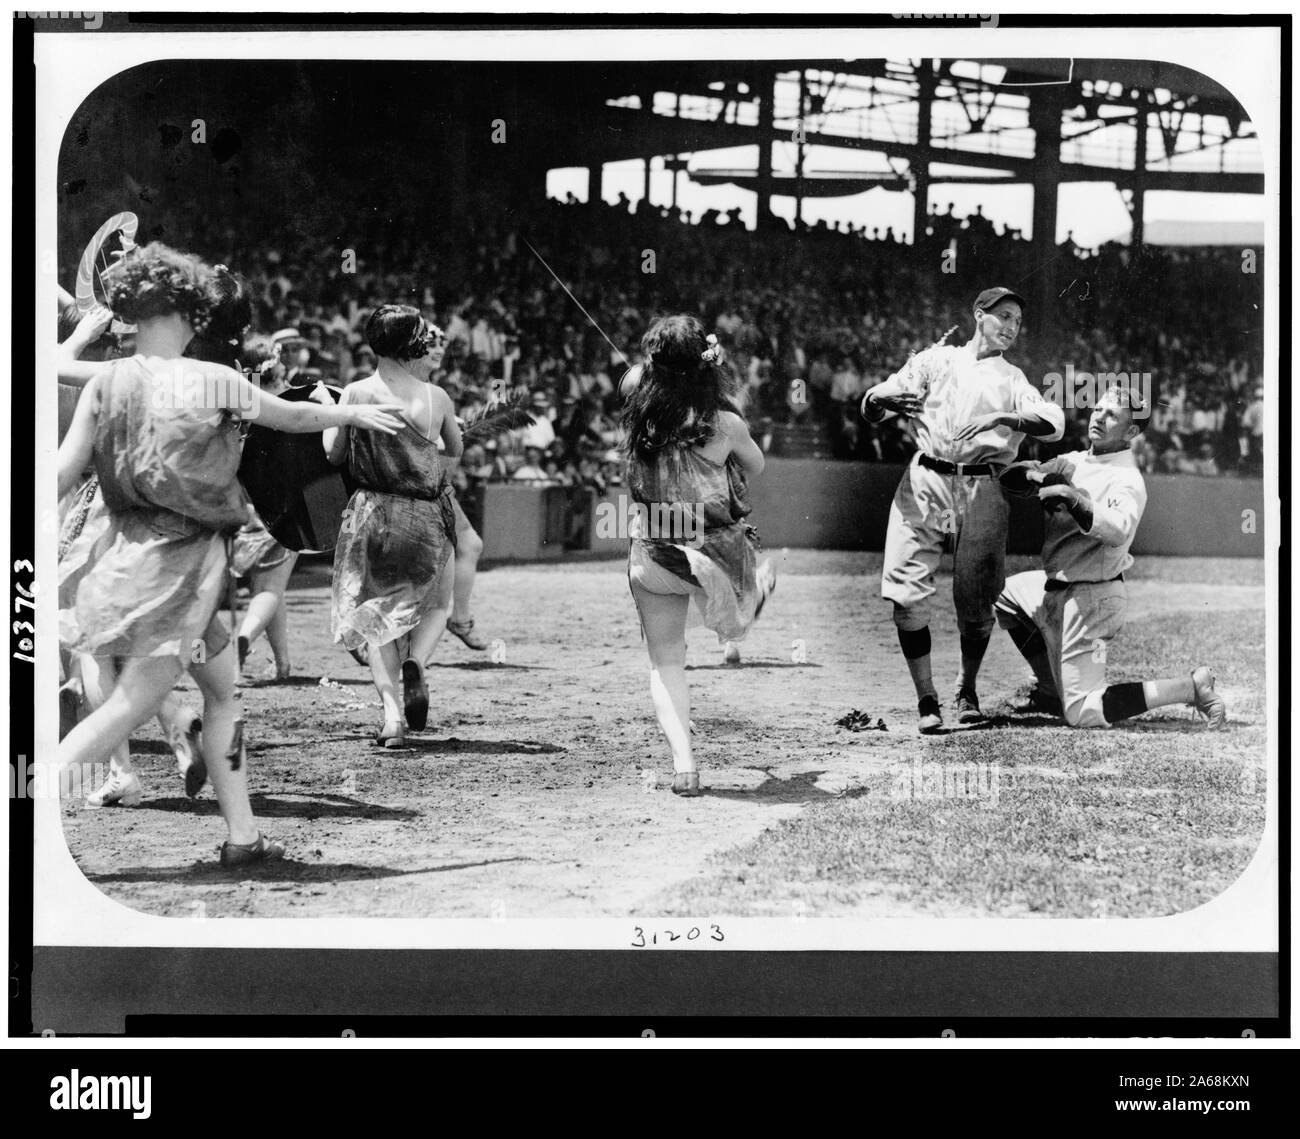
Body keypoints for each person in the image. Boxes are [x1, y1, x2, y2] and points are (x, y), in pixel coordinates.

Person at [57, 242, 405, 864]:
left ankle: (244, 837)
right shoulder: (214, 379)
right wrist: (356, 410)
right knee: (131, 706)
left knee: (220, 694)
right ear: (191, 314)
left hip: (129, 562)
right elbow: (295, 417)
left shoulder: (106, 383)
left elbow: (58, 474)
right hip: (184, 572)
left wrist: (80, 336)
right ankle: (20, 807)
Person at [860, 287, 1065, 733]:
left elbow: (1054, 422)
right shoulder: (936, 360)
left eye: (1017, 320)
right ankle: (926, 699)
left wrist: (1005, 419)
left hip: (982, 486)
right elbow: (874, 401)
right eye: (1003, 316)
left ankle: (966, 688)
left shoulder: (1012, 378)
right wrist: (884, 400)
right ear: (978, 314)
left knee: (977, 604)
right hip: (925, 480)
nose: (1011, 326)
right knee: (907, 595)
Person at [994, 390, 1225, 728]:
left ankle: (1190, 687)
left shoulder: (1127, 479)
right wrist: (1036, 476)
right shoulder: (1071, 461)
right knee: (1003, 595)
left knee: (1082, 712)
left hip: (1093, 601)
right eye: (1098, 408)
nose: (1099, 417)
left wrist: (1074, 499)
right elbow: (1010, 478)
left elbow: (1116, 530)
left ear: (1131, 432)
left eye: (1112, 415)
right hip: (1053, 587)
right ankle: (1047, 689)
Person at [620, 316, 775, 796]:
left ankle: (684, 764)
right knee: (738, 615)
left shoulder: (637, 407)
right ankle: (758, 593)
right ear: (707, 364)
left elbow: (636, 378)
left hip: (655, 556)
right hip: (716, 556)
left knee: (666, 663)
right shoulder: (726, 423)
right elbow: (756, 465)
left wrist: (661, 376)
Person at [326, 305, 463, 747]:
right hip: (423, 515)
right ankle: (418, 663)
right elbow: (453, 449)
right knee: (440, 605)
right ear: (414, 344)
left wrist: (332, 414)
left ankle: (391, 719)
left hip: (370, 513)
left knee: (374, 620)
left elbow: (334, 454)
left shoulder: (354, 392)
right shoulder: (434, 397)